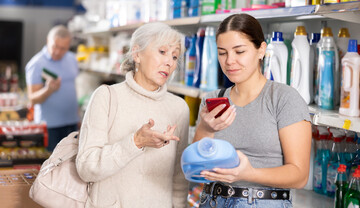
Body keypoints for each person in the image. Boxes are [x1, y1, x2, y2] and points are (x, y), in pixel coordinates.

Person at [193, 14, 312, 208]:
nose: (229, 61)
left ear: (261, 50)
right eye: (222, 53)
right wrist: (206, 129)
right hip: (212, 200)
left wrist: (248, 174)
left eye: (239, 51)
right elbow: (197, 168)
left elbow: (299, 175)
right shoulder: (212, 100)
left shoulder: (284, 98)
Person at [76, 22, 190, 208]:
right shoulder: (107, 97)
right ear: (137, 54)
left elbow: (179, 177)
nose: (169, 62)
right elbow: (86, 167)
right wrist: (135, 142)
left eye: (175, 56)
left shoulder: (179, 108)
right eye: (162, 52)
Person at [25, 25, 79, 151]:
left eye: (63, 48)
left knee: (71, 164)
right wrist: (48, 90)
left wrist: (78, 118)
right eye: (55, 46)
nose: (57, 52)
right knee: (52, 167)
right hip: (50, 127)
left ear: (69, 46)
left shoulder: (72, 59)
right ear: (48, 40)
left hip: (72, 123)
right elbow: (32, 99)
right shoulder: (36, 64)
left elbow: (72, 89)